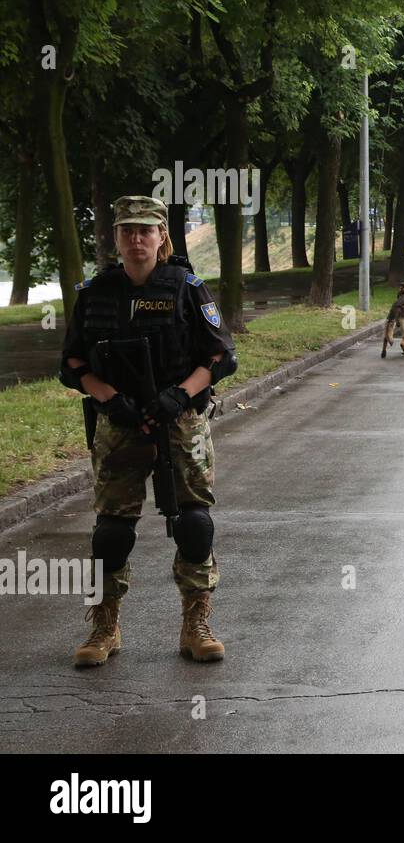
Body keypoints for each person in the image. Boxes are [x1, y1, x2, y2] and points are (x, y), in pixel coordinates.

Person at [59, 196, 237, 667]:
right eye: (126, 231)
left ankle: (196, 625)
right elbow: (72, 362)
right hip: (119, 426)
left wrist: (180, 394)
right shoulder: (96, 291)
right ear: (115, 238)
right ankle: (104, 626)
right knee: (111, 533)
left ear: (162, 237)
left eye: (145, 230)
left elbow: (221, 356)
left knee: (193, 523)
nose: (136, 239)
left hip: (180, 423)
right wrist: (109, 399)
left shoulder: (187, 287)